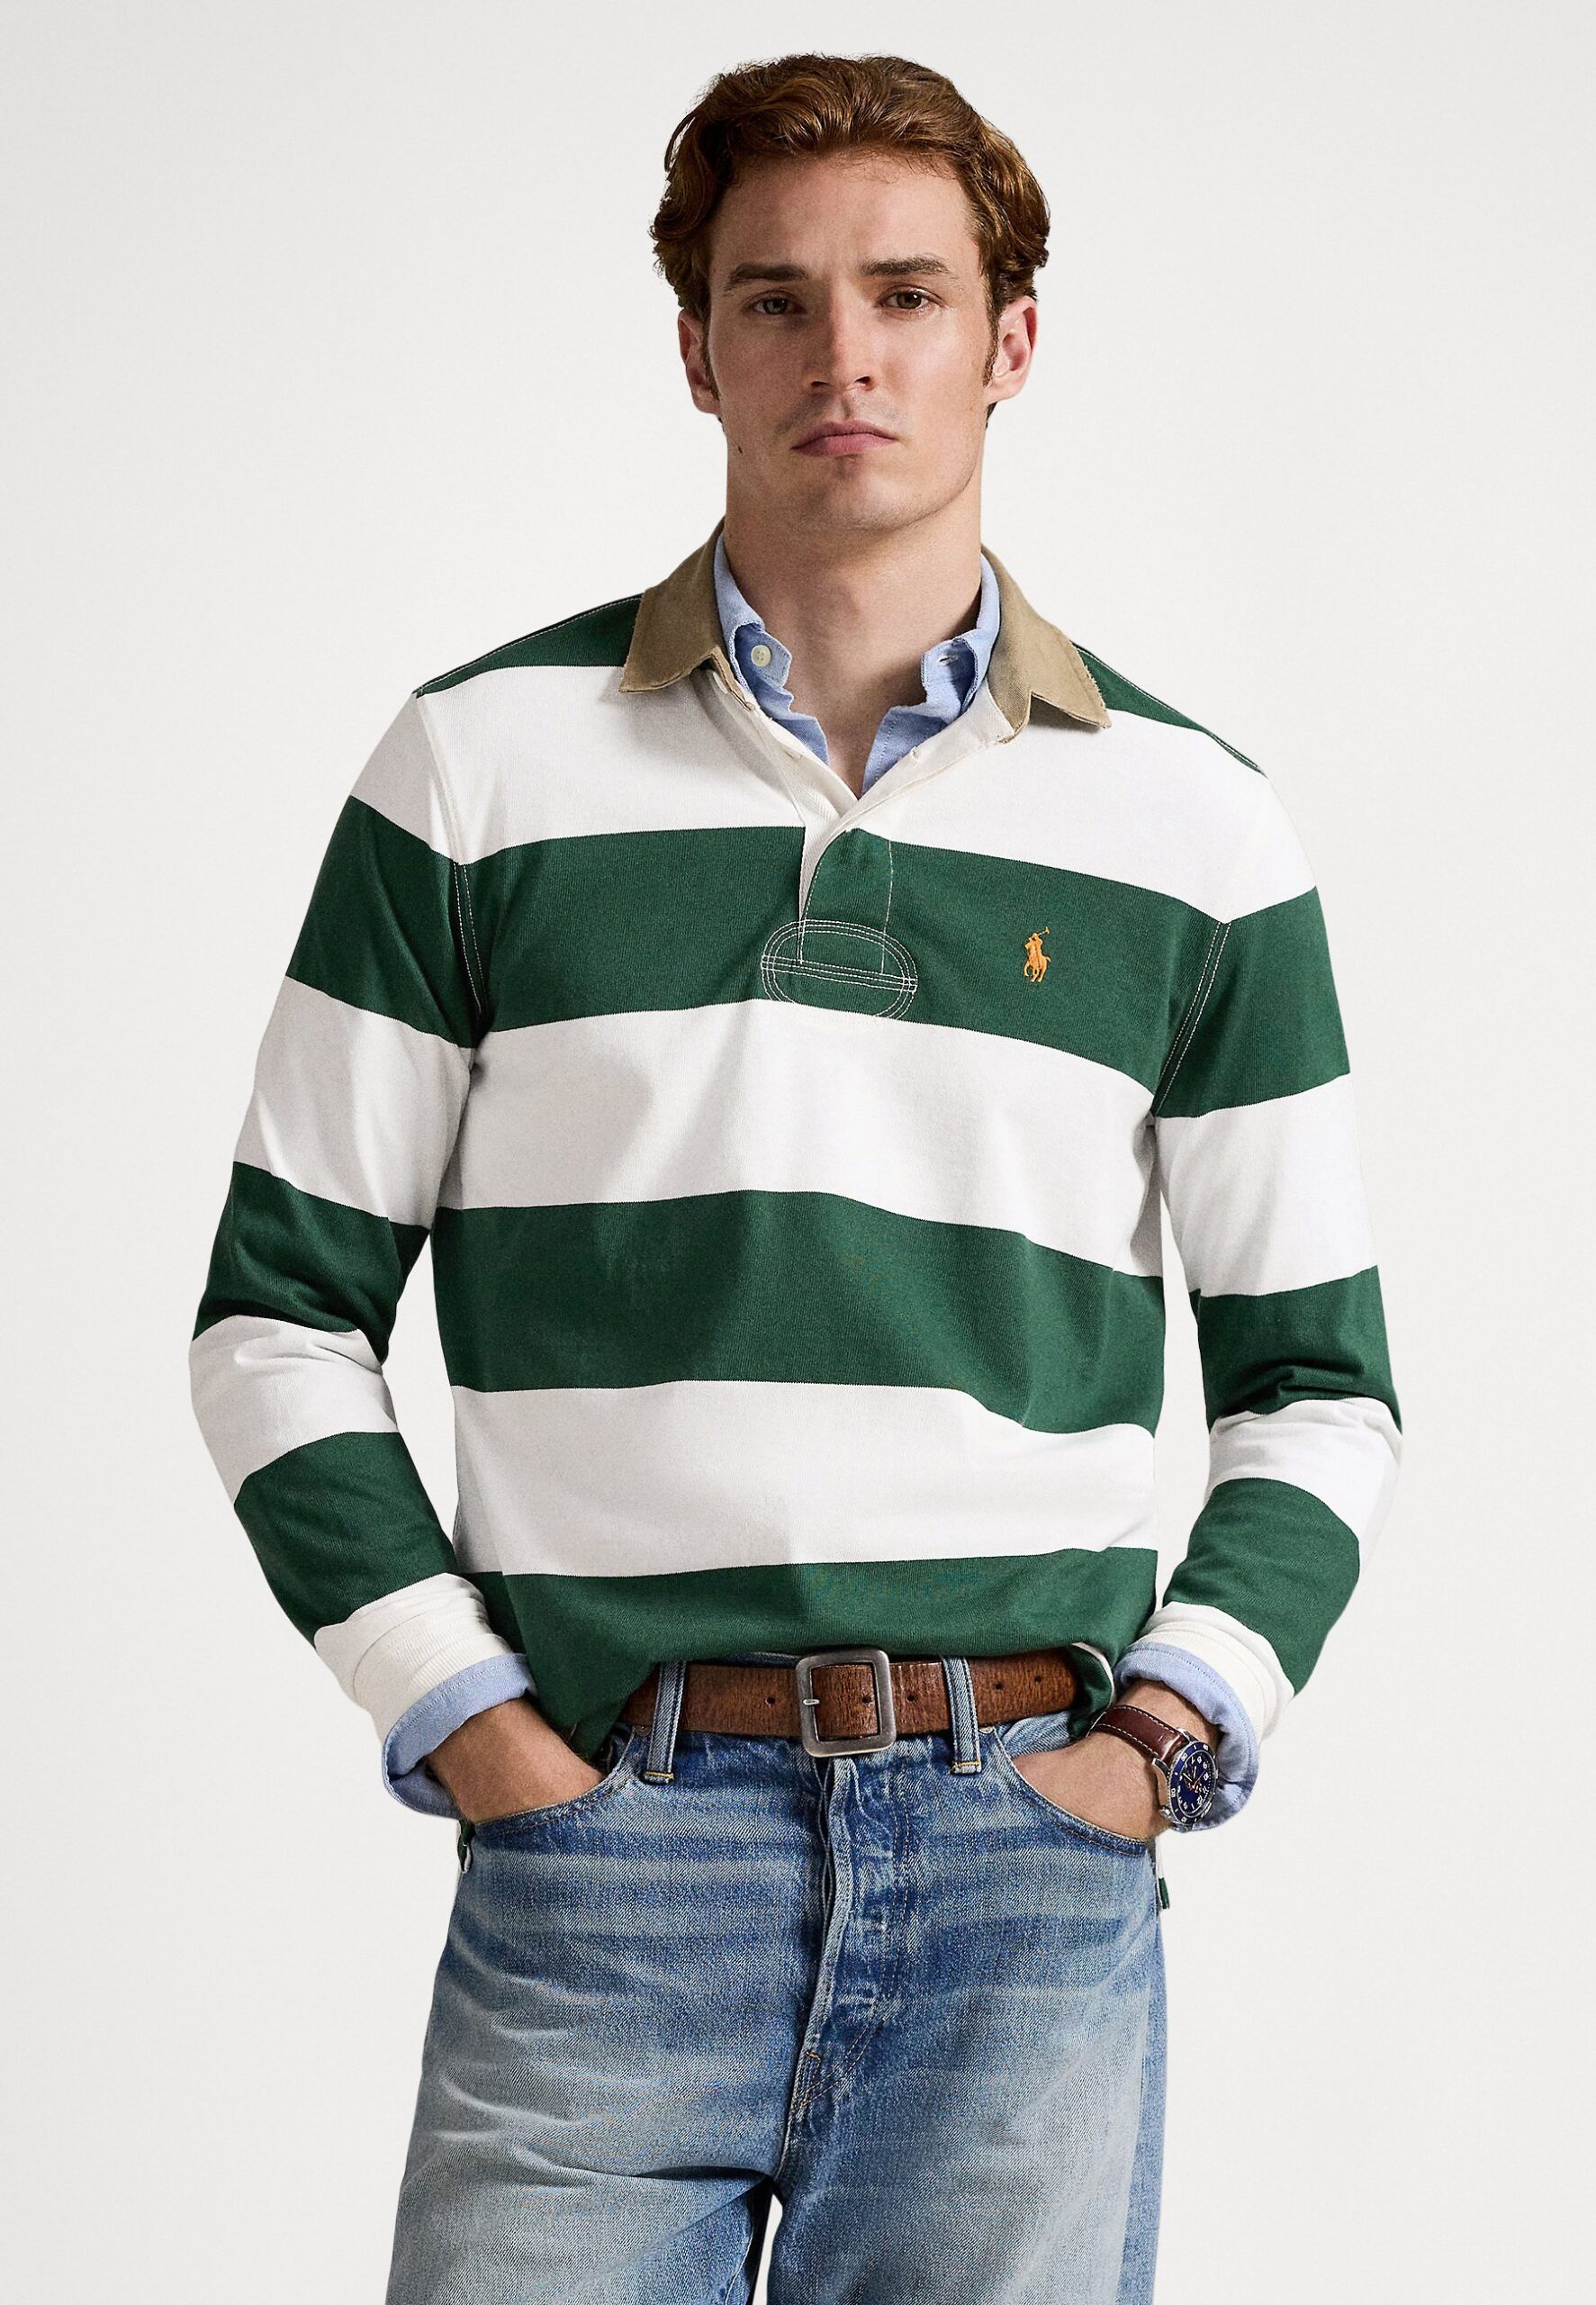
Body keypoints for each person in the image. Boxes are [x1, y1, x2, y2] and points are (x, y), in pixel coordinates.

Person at [189, 49, 1401, 2304]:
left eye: (904, 295)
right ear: (695, 346)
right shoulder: (475, 770)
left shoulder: (1195, 831)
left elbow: (1318, 1386)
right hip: (605, 1844)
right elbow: (276, 1318)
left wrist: (1153, 1743)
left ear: (1006, 340)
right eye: (775, 298)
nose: (843, 354)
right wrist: (467, 1719)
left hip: (1026, 1850)